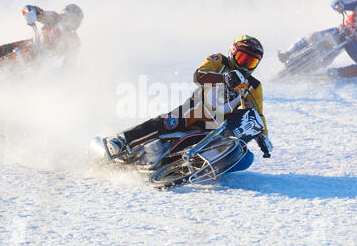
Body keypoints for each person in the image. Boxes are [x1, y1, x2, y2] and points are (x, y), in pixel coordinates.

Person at [105, 35, 273, 159]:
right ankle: (122, 141)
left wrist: (262, 136)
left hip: (217, 124)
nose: (244, 65)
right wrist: (224, 78)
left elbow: (256, 114)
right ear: (233, 52)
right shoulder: (219, 61)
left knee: (233, 149)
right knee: (167, 123)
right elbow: (199, 76)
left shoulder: (254, 86)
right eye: (242, 58)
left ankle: (178, 165)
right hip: (194, 110)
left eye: (250, 62)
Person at [278, 0, 357, 79]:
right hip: (341, 31)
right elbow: (340, 1)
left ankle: (339, 73)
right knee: (312, 36)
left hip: (356, 44)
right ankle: (288, 53)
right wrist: (338, 5)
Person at [0, 4, 84, 73]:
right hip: (30, 45)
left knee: (20, 78)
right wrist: (30, 12)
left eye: (73, 22)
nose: (68, 24)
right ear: (62, 16)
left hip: (41, 61)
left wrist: (61, 74)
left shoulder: (74, 42)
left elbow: (69, 65)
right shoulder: (53, 17)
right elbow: (31, 8)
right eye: (67, 19)